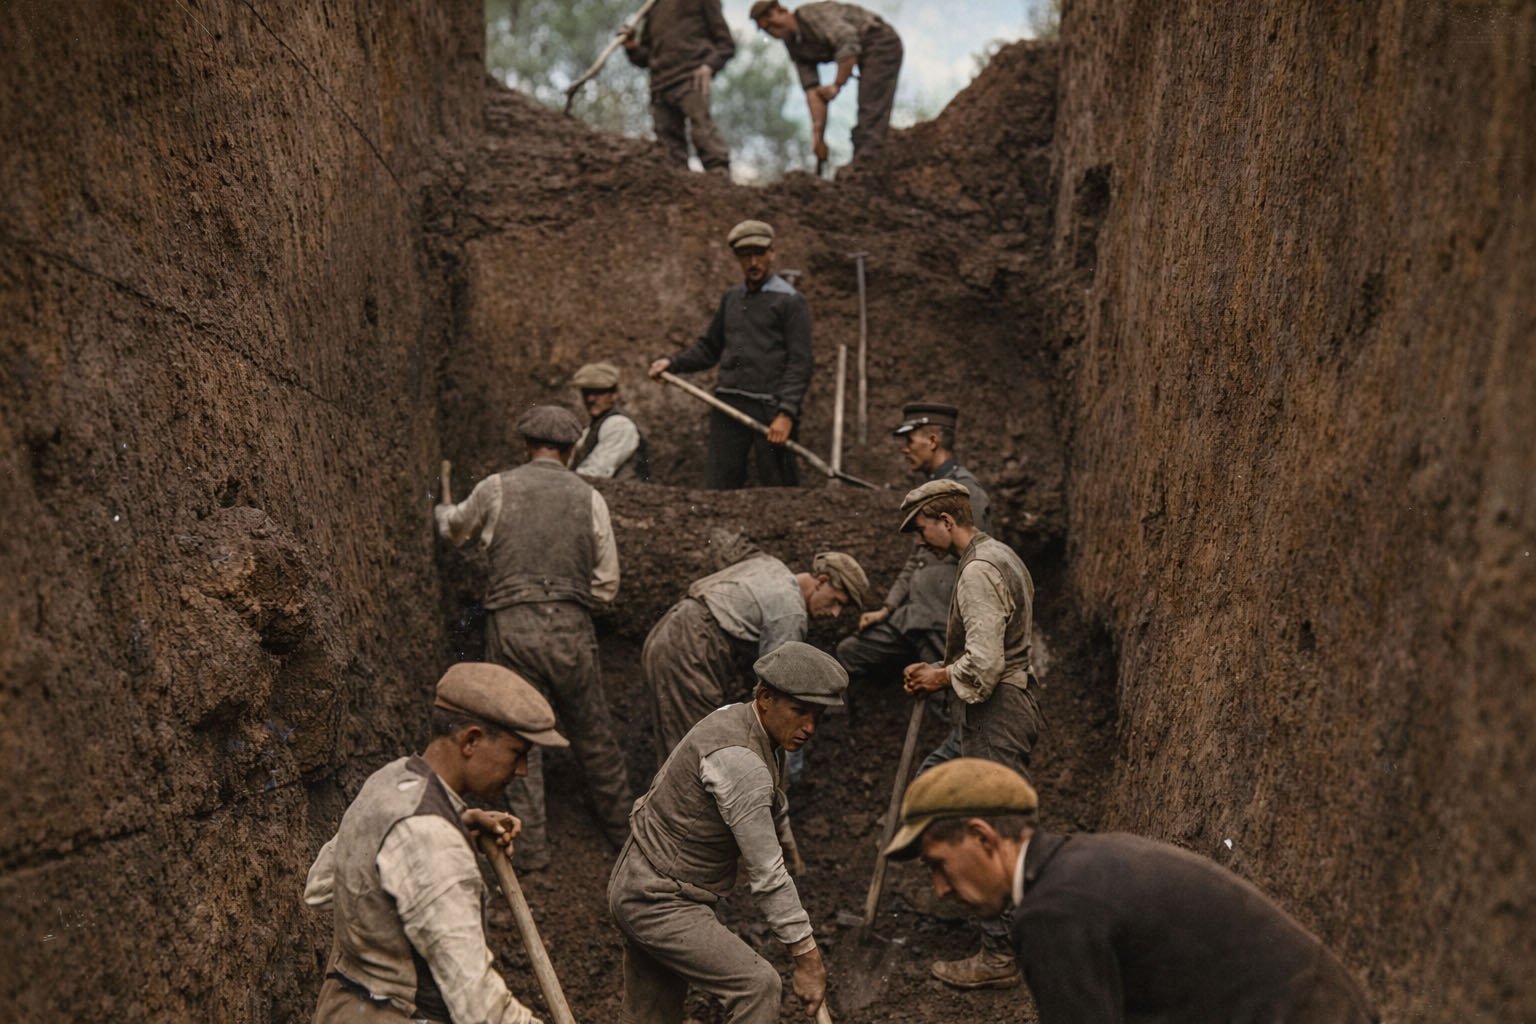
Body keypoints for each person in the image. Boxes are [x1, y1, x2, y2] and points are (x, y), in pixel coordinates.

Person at [885, 758, 1381, 1023]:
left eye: (939, 865)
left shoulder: (1053, 914)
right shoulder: (1083, 863)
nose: (941, 889)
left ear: (981, 837)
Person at [304, 661, 568, 1024]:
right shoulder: (432, 841)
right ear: (471, 740)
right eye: (516, 753)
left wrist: (457, 821)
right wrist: (438, 838)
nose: (521, 770)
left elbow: (321, 887)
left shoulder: (391, 782)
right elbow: (479, 1007)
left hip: (343, 1007)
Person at [434, 405, 632, 870]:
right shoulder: (589, 497)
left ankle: (531, 850)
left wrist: (442, 512)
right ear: (572, 449)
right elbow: (607, 583)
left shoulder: (497, 487)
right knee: (594, 732)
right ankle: (627, 837)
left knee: (518, 735)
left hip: (512, 627)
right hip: (570, 628)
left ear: (526, 446)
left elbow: (454, 528)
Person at [609, 642, 846, 1023]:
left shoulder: (740, 718)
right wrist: (808, 959)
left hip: (643, 879)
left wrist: (784, 835)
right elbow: (767, 875)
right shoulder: (739, 761)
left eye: (818, 716)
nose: (810, 728)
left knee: (651, 1015)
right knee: (758, 985)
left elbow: (773, 801)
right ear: (766, 697)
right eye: (800, 712)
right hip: (658, 899)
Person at [898, 477, 1045, 989]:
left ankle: (1000, 954)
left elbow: (983, 665)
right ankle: (955, 883)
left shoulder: (978, 572)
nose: (919, 541)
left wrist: (939, 675)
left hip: (995, 709)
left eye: (922, 530)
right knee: (933, 783)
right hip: (1001, 707)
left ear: (946, 521)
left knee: (992, 825)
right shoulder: (998, 555)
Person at [642, 547, 868, 763]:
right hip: (690, 647)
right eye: (836, 601)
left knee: (683, 741)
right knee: (698, 751)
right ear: (822, 582)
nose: (836, 613)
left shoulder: (772, 566)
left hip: (672, 628)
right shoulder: (790, 613)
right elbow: (780, 694)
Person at [648, 220, 812, 489]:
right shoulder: (732, 299)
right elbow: (709, 348)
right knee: (720, 486)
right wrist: (673, 363)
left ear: (772, 252)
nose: (753, 262)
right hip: (729, 406)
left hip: (769, 409)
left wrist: (786, 413)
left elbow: (800, 362)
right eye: (745, 256)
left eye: (759, 254)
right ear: (737, 258)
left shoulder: (790, 301)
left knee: (779, 488)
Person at [838, 402, 991, 686]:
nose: (903, 449)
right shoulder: (928, 492)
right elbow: (916, 559)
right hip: (911, 617)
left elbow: (981, 562)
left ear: (933, 441)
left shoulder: (967, 493)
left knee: (947, 698)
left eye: (909, 440)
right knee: (848, 653)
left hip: (941, 623)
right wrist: (888, 608)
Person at [750, 1, 904, 162]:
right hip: (860, 52)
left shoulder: (810, 15)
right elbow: (812, 90)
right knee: (869, 108)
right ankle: (865, 160)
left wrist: (836, 85)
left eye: (772, 21)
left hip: (879, 42)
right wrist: (818, 137)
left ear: (781, 11)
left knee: (871, 108)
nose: (773, 31)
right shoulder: (794, 45)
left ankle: (867, 163)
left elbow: (847, 43)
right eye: (767, 29)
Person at [622, 0, 735, 175]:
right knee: (668, 149)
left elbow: (726, 44)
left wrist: (709, 65)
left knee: (703, 131)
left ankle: (720, 179)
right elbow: (647, 56)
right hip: (660, 84)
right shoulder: (654, 6)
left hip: (691, 76)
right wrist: (632, 47)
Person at [569, 361, 651, 481]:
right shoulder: (590, 430)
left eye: (598, 393)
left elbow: (595, 472)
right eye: (586, 392)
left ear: (614, 394)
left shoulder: (619, 426)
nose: (590, 399)